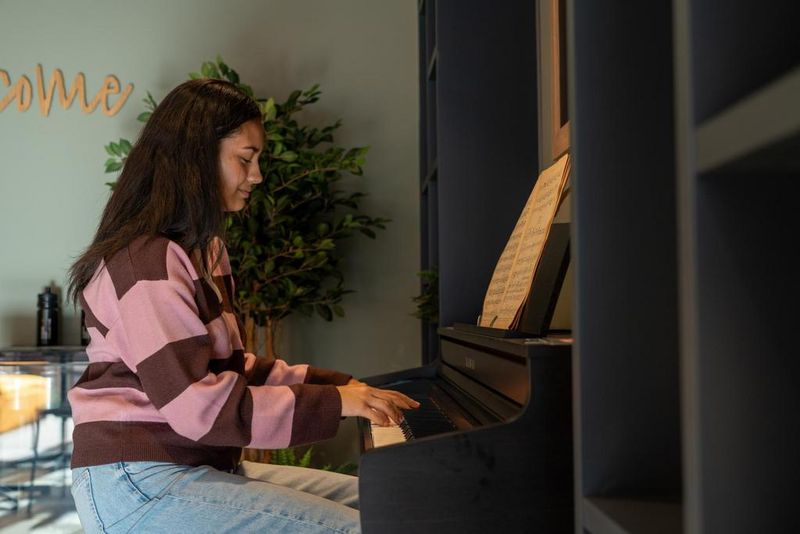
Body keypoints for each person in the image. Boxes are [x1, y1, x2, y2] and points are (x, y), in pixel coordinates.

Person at [65, 78, 418, 533]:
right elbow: (200, 407)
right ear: (195, 159)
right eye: (245, 159)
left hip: (189, 465)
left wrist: (345, 386)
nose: (257, 176)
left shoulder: (204, 251)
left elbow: (233, 369)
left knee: (395, 502)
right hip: (137, 482)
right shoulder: (145, 262)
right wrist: (337, 402)